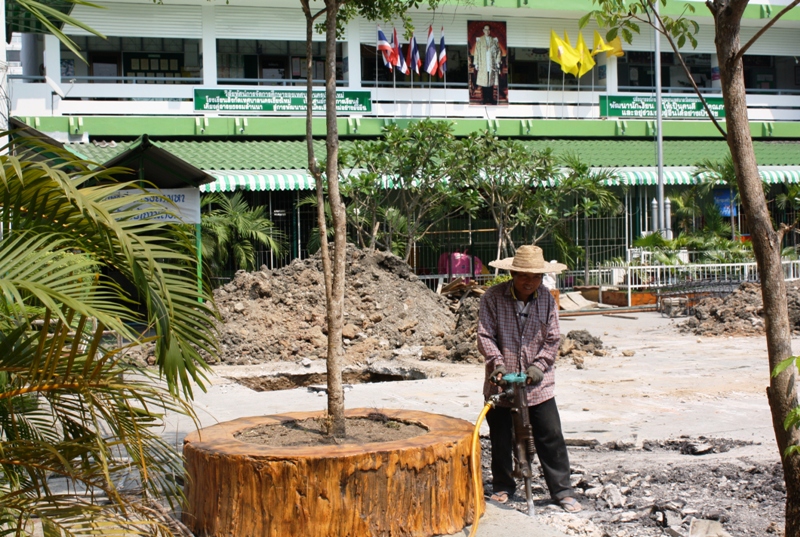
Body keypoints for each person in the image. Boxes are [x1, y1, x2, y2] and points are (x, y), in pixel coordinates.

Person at [477, 245, 582, 513]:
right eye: (524, 276)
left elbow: (552, 339)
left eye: (535, 277)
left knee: (550, 435)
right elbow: (485, 336)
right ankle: (503, 486)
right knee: (501, 436)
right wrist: (498, 365)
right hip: (502, 384)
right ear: (513, 272)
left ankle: (561, 490)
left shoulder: (546, 299)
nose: (529, 282)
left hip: (538, 385)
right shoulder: (492, 298)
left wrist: (538, 367)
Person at [471, 25, 501, 105]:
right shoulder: (480, 40)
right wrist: (476, 63)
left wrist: (498, 61)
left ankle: (491, 99)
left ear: (489, 31)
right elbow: (476, 52)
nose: (487, 31)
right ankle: (484, 99)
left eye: (488, 30)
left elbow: (498, 51)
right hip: (483, 63)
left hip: (491, 63)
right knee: (484, 82)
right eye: (485, 30)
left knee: (490, 82)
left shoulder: (494, 40)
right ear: (483, 31)